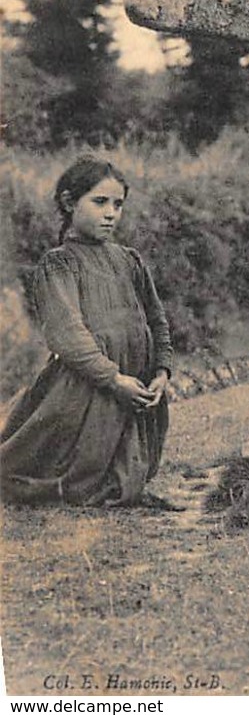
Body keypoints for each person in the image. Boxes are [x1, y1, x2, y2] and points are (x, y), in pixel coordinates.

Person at [0, 155, 173, 507]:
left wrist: (162, 370)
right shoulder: (60, 263)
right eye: (99, 202)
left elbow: (157, 319)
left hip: (134, 387)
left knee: (125, 477)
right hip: (84, 390)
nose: (111, 213)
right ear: (68, 202)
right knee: (72, 478)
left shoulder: (129, 260)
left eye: (118, 204)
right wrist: (112, 378)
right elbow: (67, 334)